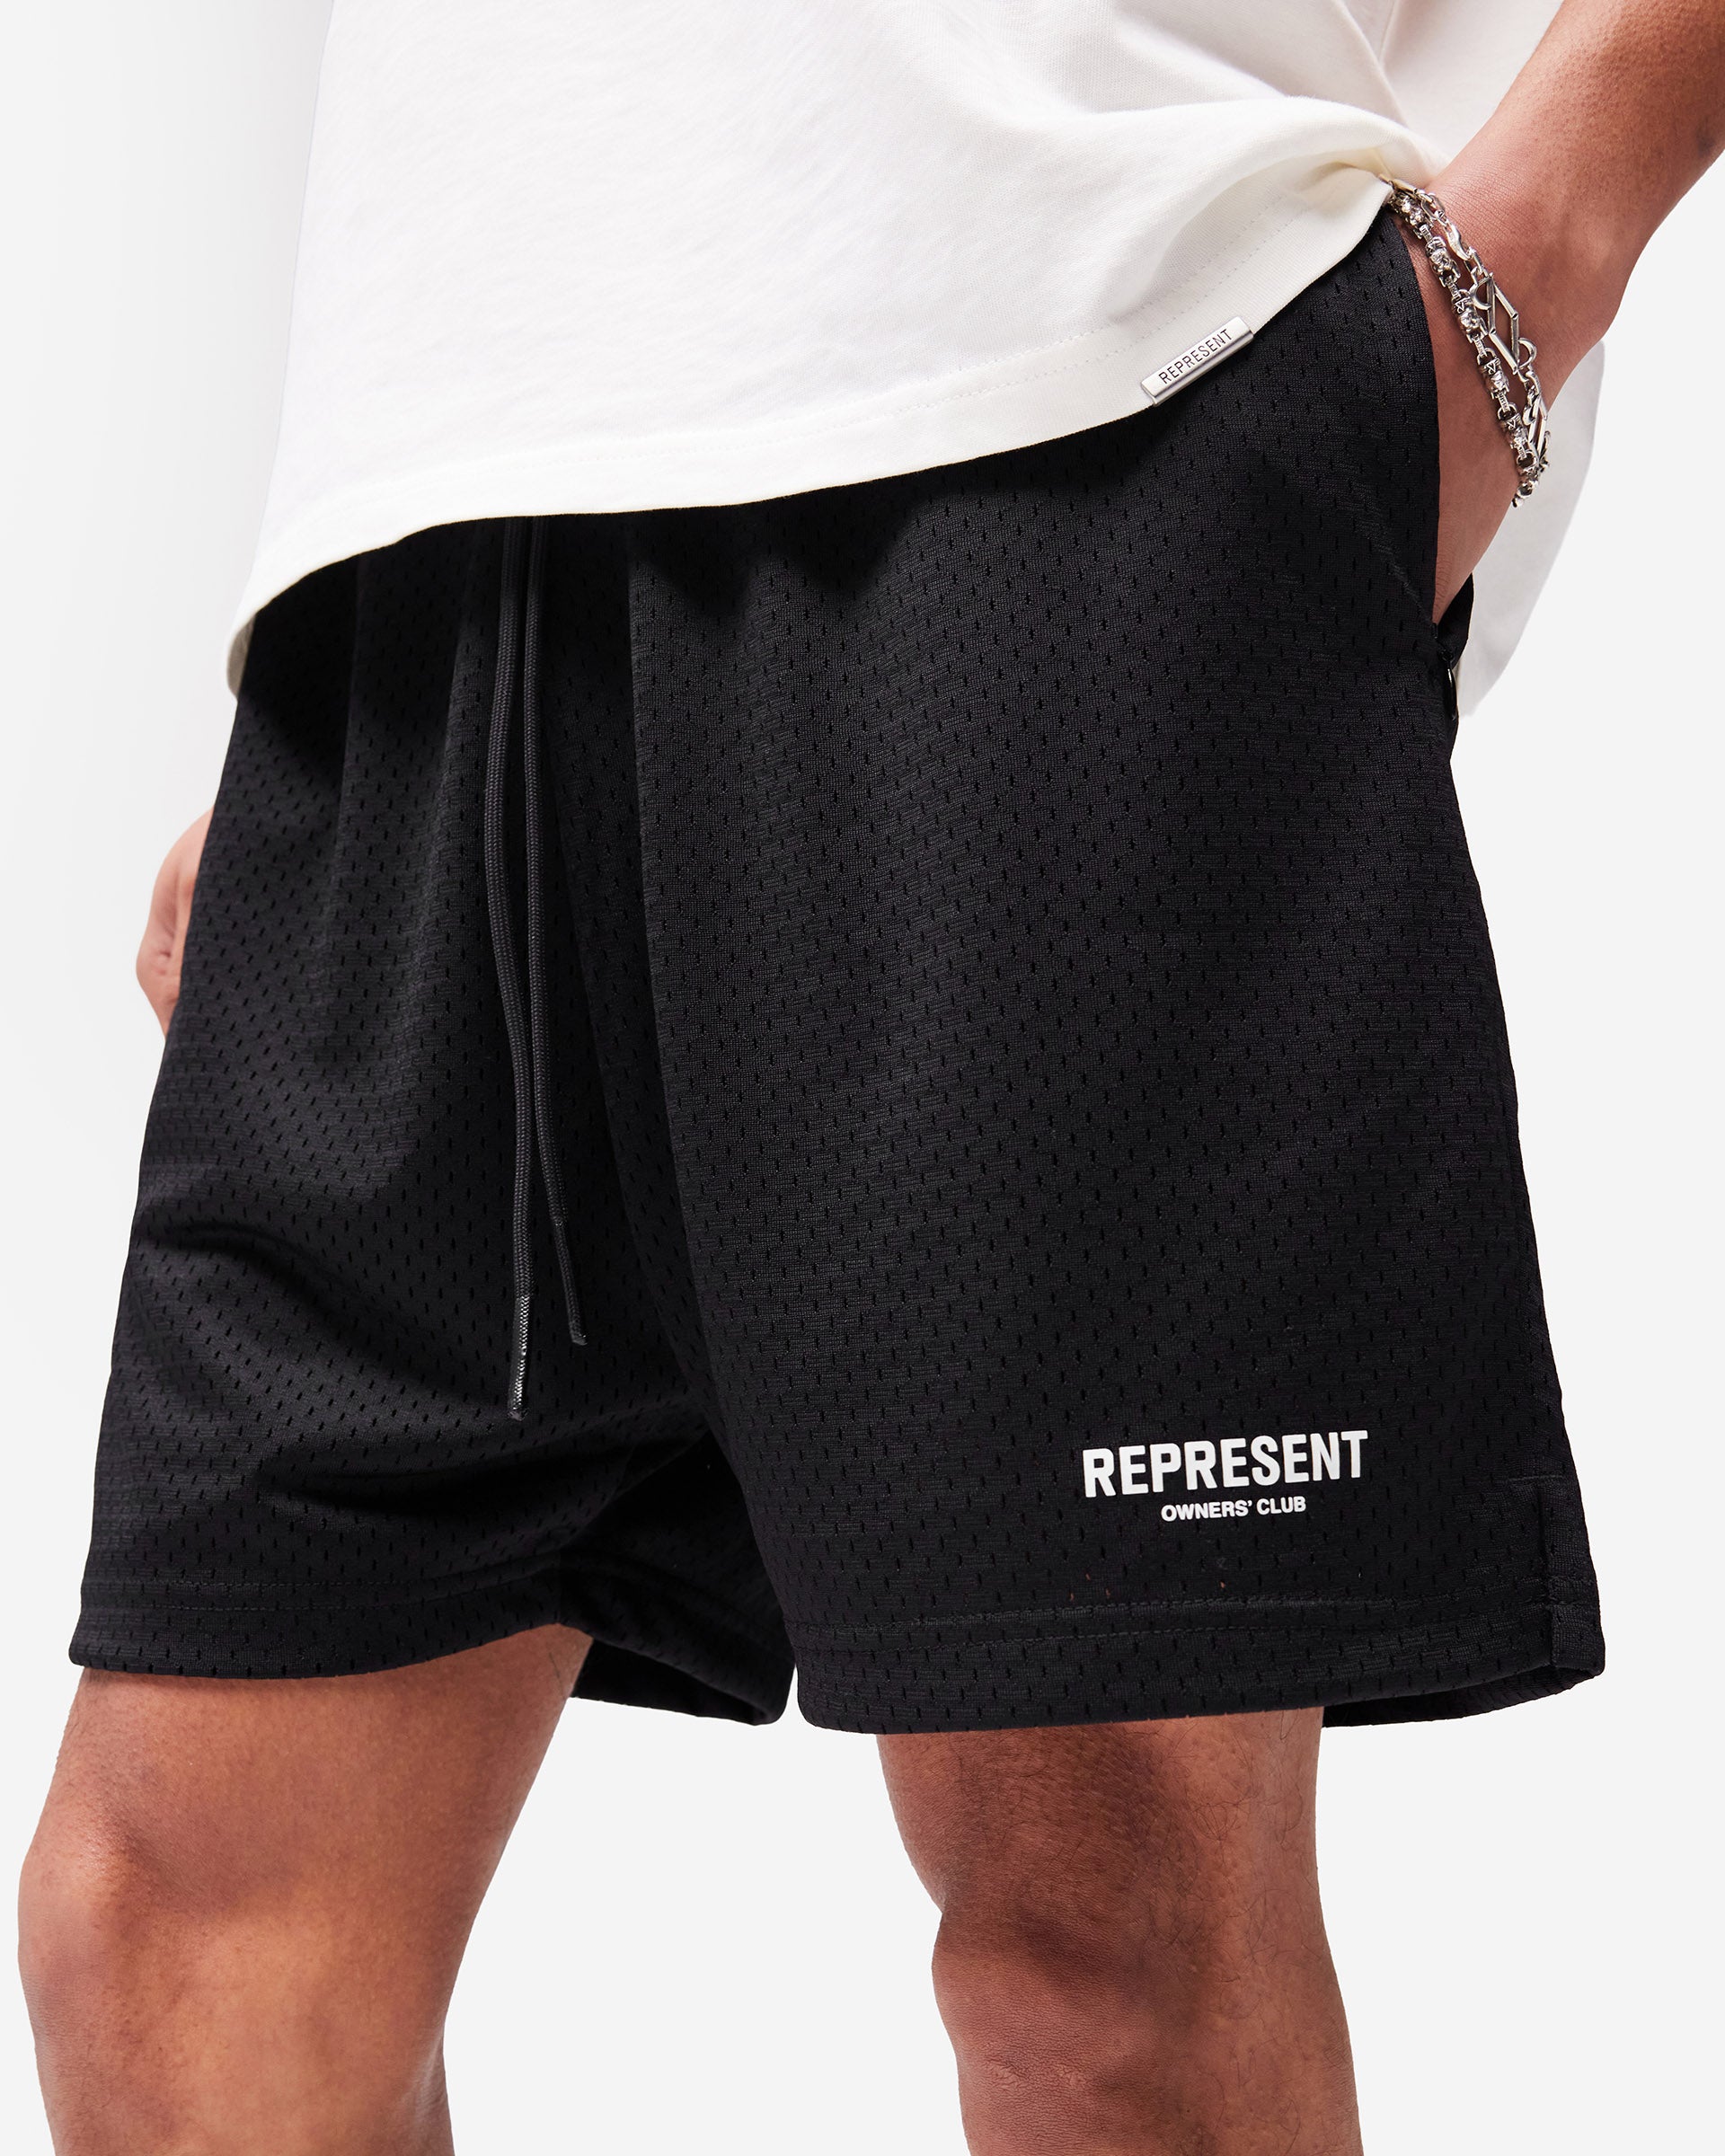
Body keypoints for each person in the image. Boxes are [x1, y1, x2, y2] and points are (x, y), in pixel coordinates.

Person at [18, 4, 1721, 2150]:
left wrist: (1535, 256)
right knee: (169, 1936)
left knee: (1098, 1955)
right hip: (439, 569)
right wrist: (362, 575)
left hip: (1074, 407)